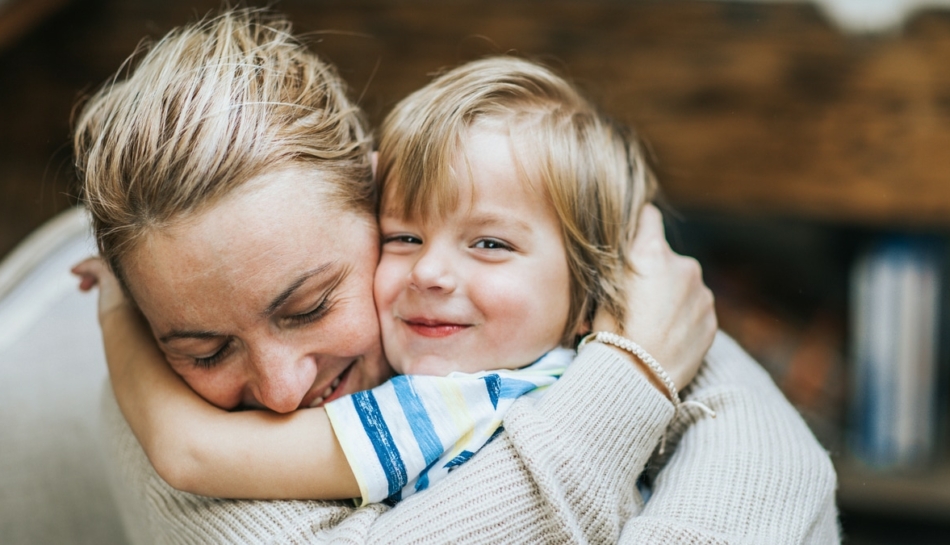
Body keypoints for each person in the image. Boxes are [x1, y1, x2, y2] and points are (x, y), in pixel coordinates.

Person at [73, 9, 839, 543]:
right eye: (203, 351)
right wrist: (632, 380)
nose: (278, 391)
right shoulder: (154, 405)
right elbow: (186, 454)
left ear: (378, 193)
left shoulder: (481, 362)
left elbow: (784, 471)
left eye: (308, 306)